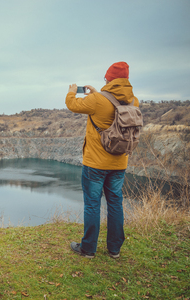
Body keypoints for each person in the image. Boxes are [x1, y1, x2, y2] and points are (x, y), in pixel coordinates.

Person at [65, 61, 139, 259]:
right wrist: (98, 93)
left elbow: (72, 105)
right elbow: (111, 106)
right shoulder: (134, 101)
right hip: (120, 164)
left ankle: (88, 249)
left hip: (95, 165)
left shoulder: (97, 100)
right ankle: (114, 249)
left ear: (109, 78)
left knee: (92, 204)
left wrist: (72, 91)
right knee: (115, 203)